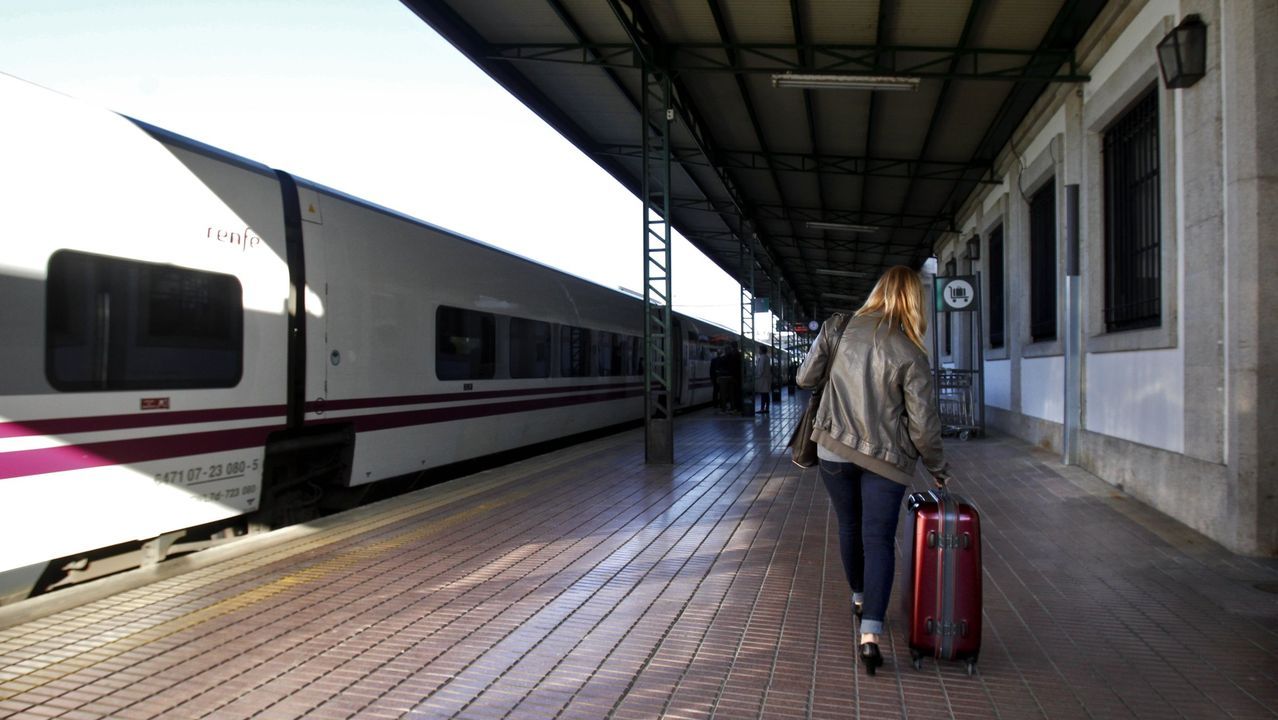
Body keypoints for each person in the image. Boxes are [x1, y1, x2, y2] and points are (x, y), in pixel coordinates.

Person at [795, 265, 950, 676]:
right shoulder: (912, 353)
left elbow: (804, 377)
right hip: (887, 459)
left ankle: (861, 595)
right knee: (878, 540)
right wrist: (938, 467)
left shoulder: (838, 326)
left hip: (834, 448)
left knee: (849, 527)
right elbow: (923, 425)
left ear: (877, 291)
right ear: (915, 301)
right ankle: (870, 636)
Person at [754, 346, 771, 413]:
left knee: (763, 394)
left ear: (761, 350)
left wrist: (757, 376)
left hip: (762, 378)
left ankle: (762, 408)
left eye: (759, 349)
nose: (758, 351)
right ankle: (766, 408)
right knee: (766, 394)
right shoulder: (766, 357)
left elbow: (761, 368)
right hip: (766, 378)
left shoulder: (762, 358)